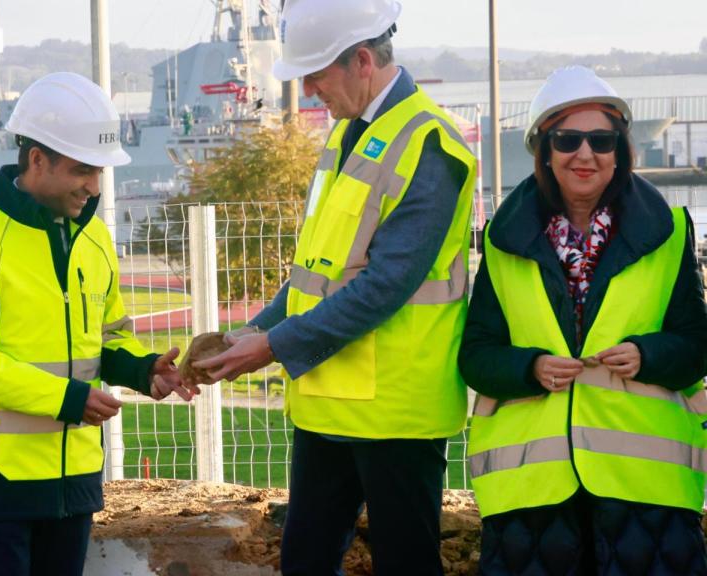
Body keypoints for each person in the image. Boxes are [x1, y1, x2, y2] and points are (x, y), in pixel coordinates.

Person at [187, 0, 477, 573]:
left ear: (362, 61)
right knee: (304, 563)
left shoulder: (430, 144)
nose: (312, 90)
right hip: (327, 407)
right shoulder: (348, 134)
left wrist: (273, 346)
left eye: (317, 75)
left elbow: (386, 285)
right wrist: (251, 331)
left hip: (396, 414)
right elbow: (313, 276)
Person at [0, 72, 196, 576]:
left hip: (74, 483)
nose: (94, 186)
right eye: (82, 170)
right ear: (37, 160)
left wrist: (145, 369)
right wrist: (70, 399)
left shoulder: (94, 241)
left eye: (99, 172)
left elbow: (107, 337)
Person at [459, 66, 707, 574]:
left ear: (621, 151)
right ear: (545, 151)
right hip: (531, 498)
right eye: (568, 139)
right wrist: (530, 368)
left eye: (601, 139)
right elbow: (477, 355)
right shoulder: (503, 242)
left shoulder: (668, 234)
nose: (585, 153)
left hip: (646, 497)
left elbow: (696, 346)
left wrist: (648, 355)